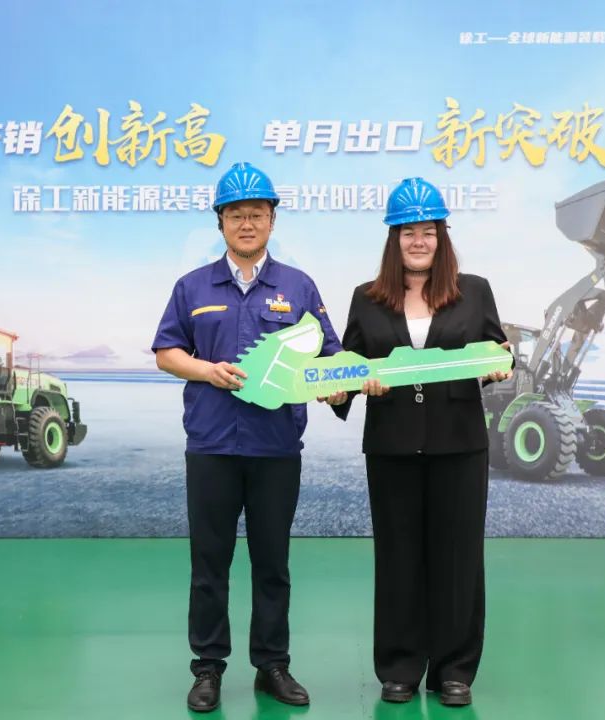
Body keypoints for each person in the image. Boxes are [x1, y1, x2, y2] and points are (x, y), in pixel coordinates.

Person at [152, 161, 342, 713]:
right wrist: (206, 370)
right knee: (209, 564)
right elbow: (167, 352)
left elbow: (329, 354)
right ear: (220, 222)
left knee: (272, 563)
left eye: (257, 214)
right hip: (211, 446)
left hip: (275, 448)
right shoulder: (192, 287)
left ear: (272, 220)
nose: (247, 223)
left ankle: (272, 665)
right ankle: (208, 668)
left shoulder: (298, 286)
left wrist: (335, 385)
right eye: (236, 214)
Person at [323, 177, 512, 707]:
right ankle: (400, 667)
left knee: (458, 558)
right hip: (392, 446)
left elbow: (498, 348)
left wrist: (501, 364)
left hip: (460, 445)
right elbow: (349, 364)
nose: (418, 241)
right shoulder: (367, 298)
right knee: (398, 557)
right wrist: (343, 388)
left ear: (442, 236)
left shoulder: (475, 290)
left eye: (428, 231)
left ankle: (454, 670)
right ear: (394, 238)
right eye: (408, 232)